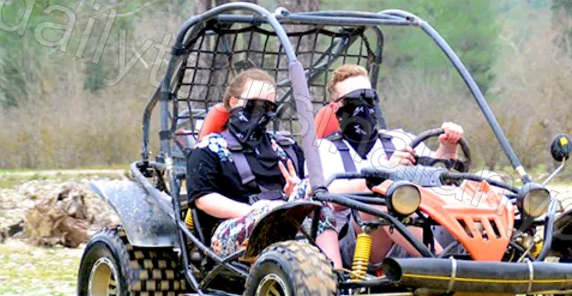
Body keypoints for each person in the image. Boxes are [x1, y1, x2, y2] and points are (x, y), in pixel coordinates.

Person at [186, 69, 344, 267]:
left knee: (317, 198)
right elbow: (203, 199)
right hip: (230, 229)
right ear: (233, 102)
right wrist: (253, 211)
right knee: (271, 210)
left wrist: (295, 190)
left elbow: (305, 195)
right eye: (256, 104)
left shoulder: (285, 147)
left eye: (270, 107)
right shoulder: (208, 148)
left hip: (283, 221)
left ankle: (335, 275)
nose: (263, 112)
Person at [316, 64, 464, 266]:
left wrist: (448, 146)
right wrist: (384, 173)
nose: (363, 107)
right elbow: (327, 196)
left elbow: (440, 174)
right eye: (353, 100)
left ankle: (494, 268)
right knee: (380, 199)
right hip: (361, 240)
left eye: (369, 98)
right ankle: (447, 268)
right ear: (335, 108)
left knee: (485, 187)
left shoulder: (398, 139)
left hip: (414, 233)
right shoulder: (325, 148)